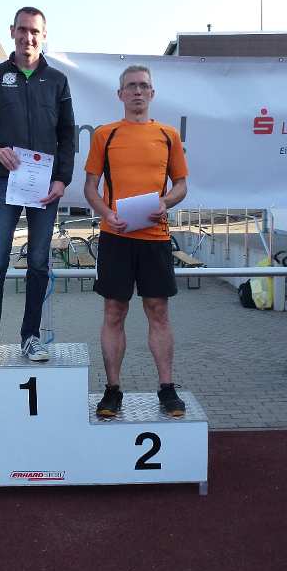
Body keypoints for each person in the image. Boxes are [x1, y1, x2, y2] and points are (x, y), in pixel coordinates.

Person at [0, 6, 76, 364]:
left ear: (43, 36)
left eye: (35, 31)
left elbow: (67, 134)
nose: (28, 37)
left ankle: (31, 337)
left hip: (44, 186)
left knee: (39, 263)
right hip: (5, 183)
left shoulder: (57, 80)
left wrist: (62, 179)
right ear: (12, 31)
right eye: (23, 30)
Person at [83, 65, 189, 417]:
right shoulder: (105, 135)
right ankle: (113, 390)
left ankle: (167, 389)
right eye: (131, 86)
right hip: (115, 237)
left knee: (158, 311)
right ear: (121, 94)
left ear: (152, 93)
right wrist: (105, 213)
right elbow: (90, 188)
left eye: (144, 86)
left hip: (155, 237)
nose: (138, 91)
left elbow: (181, 185)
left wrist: (166, 202)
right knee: (114, 312)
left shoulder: (169, 135)